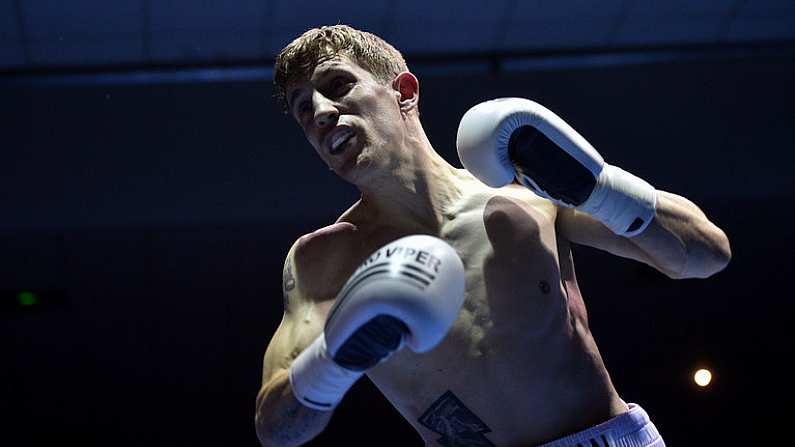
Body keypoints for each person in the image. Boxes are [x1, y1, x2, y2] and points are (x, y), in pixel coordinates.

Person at [254, 25, 731, 447]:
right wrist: (335, 357)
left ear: (403, 91)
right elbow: (276, 430)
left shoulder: (521, 193)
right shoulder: (325, 260)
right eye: (303, 109)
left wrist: (598, 187)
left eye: (337, 85)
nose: (320, 112)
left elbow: (706, 254)